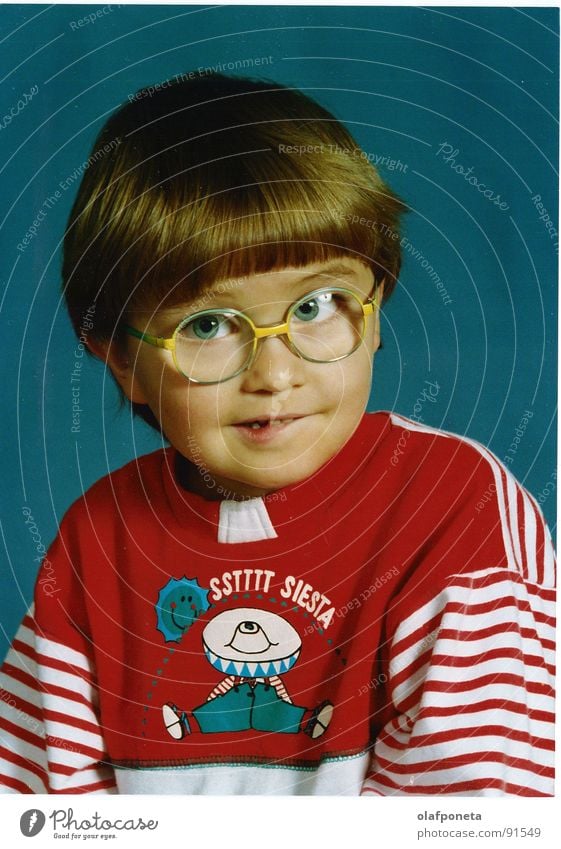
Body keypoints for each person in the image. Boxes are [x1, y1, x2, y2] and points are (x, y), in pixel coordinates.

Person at [0, 73, 555, 796]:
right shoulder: (95, 543)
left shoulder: (449, 504)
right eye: (206, 325)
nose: (275, 370)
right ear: (121, 358)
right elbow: (37, 802)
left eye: (316, 304)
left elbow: (480, 798)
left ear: (375, 309)